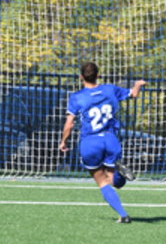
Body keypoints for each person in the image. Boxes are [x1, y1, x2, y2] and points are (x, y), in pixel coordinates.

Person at [59, 61, 145, 223]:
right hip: (110, 139)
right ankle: (119, 173)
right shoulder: (109, 89)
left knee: (102, 181)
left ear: (81, 77)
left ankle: (123, 215)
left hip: (90, 142)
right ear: (98, 75)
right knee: (115, 181)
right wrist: (138, 84)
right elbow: (133, 94)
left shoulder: (77, 97)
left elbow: (69, 123)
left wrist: (63, 141)